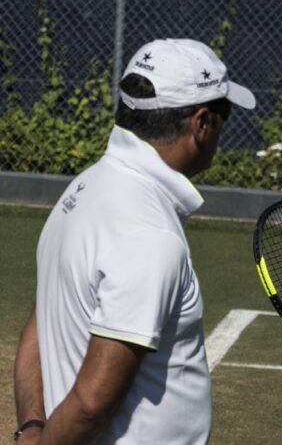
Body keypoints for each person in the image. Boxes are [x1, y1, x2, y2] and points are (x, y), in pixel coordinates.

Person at [13, 38, 256, 444]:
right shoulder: (149, 232)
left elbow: (37, 330)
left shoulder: (84, 188)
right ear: (202, 123)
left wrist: (33, 428)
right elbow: (92, 402)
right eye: (223, 115)